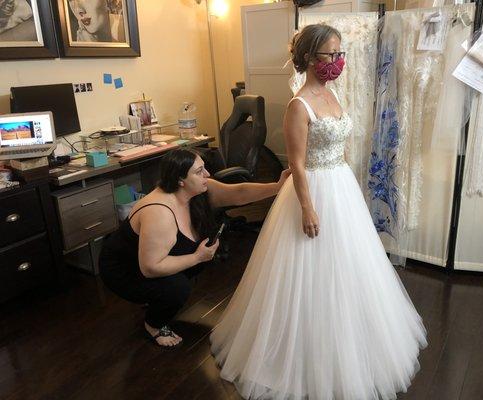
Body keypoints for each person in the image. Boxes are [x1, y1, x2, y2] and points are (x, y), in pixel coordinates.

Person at [210, 24, 428, 400]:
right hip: (310, 191)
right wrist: (308, 209)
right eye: (331, 55)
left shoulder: (331, 94)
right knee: (304, 273)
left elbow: (338, 147)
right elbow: (296, 163)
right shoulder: (298, 105)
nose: (337, 62)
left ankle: (349, 338)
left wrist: (349, 189)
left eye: (340, 54)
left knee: (349, 269)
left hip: (340, 187)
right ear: (310, 57)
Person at [99, 149, 291, 348]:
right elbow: (150, 267)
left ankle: (156, 296)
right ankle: (153, 325)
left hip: (147, 260)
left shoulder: (197, 190)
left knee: (190, 267)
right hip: (124, 270)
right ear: (180, 180)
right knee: (178, 287)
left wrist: (278, 187)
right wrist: (197, 257)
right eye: (199, 171)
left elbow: (239, 193)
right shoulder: (159, 212)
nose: (207, 174)